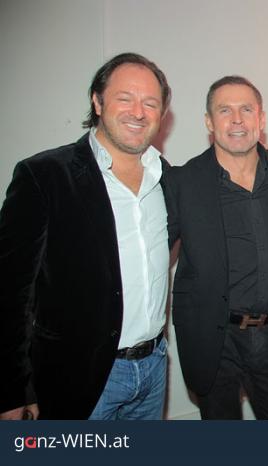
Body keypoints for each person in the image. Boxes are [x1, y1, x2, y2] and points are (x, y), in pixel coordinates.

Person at [0, 52, 171, 420]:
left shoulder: (166, 177)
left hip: (155, 366)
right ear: (97, 101)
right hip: (80, 375)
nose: (138, 112)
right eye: (125, 98)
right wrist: (12, 390)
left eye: (150, 102)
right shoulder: (44, 176)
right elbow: (10, 292)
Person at [164, 76, 268, 420]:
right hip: (214, 338)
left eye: (246, 109)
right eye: (224, 110)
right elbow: (150, 255)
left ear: (261, 119)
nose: (236, 120)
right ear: (208, 122)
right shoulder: (183, 182)